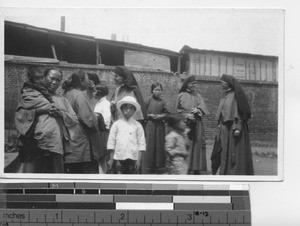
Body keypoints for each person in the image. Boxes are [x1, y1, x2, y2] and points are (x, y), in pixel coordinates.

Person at [15, 66, 78, 173]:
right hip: (35, 146)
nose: (54, 82)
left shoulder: (62, 100)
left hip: (56, 146)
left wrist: (61, 113)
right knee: (33, 180)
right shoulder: (32, 96)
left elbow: (74, 119)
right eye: (51, 78)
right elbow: (21, 115)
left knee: (54, 180)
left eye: (58, 80)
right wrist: (41, 110)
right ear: (44, 78)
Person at [62, 70, 104, 174]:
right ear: (81, 81)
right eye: (87, 79)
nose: (89, 81)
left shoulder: (67, 93)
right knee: (86, 178)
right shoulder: (79, 95)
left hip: (71, 143)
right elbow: (88, 119)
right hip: (83, 144)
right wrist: (97, 117)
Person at [215, 74, 254, 175]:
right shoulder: (224, 94)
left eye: (222, 82)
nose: (221, 84)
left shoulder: (236, 95)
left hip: (235, 127)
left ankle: (235, 173)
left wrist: (237, 127)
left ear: (227, 84)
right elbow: (222, 110)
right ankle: (225, 172)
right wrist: (219, 123)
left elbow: (239, 112)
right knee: (224, 149)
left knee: (235, 152)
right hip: (225, 127)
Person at [175, 75, 210, 175]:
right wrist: (186, 115)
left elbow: (203, 108)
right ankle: (185, 167)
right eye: (192, 83)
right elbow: (176, 111)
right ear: (187, 84)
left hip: (197, 124)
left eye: (195, 83)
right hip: (184, 125)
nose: (194, 85)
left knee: (196, 145)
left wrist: (198, 109)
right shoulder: (180, 95)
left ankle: (195, 168)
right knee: (185, 144)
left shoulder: (198, 96)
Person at [107, 96, 146, 174]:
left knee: (132, 181)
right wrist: (111, 159)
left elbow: (141, 144)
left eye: (131, 108)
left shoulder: (137, 125)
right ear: (121, 109)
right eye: (126, 108)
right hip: (119, 158)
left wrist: (139, 160)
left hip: (133, 158)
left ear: (134, 110)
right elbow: (111, 142)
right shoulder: (116, 124)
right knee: (120, 181)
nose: (128, 111)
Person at [143, 82, 169, 174]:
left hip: (159, 126)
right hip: (150, 125)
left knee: (159, 145)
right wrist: (149, 115)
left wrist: (161, 116)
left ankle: (158, 166)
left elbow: (167, 113)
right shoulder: (148, 100)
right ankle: (149, 165)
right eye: (156, 90)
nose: (157, 92)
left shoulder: (162, 102)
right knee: (150, 144)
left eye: (159, 90)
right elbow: (143, 112)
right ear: (152, 90)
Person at [93, 82, 112, 174]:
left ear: (100, 92)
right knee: (99, 158)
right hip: (98, 132)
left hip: (103, 133)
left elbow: (107, 121)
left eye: (95, 91)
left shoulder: (106, 103)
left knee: (103, 157)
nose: (93, 93)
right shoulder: (98, 103)